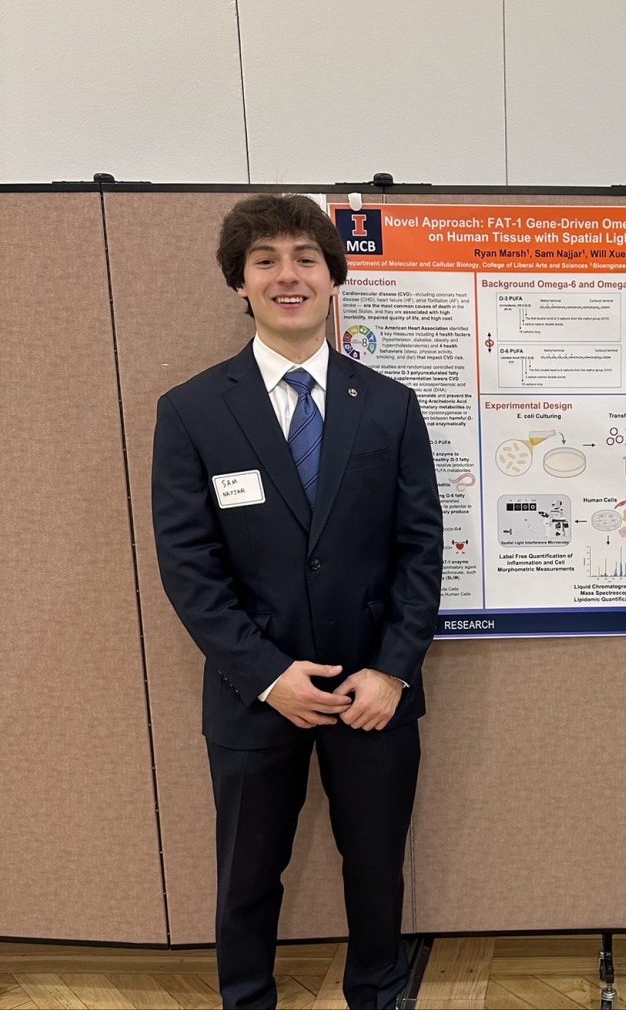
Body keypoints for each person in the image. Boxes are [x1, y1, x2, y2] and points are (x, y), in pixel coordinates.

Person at [151, 194, 443, 1009]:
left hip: (373, 696)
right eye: (266, 260)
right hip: (254, 695)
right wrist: (267, 673)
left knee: (377, 865)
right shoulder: (193, 411)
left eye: (305, 258)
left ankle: (377, 993)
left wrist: (392, 670)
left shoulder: (389, 404)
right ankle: (247, 999)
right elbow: (189, 567)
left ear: (332, 275)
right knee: (248, 875)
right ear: (240, 282)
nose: (289, 275)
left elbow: (422, 552)